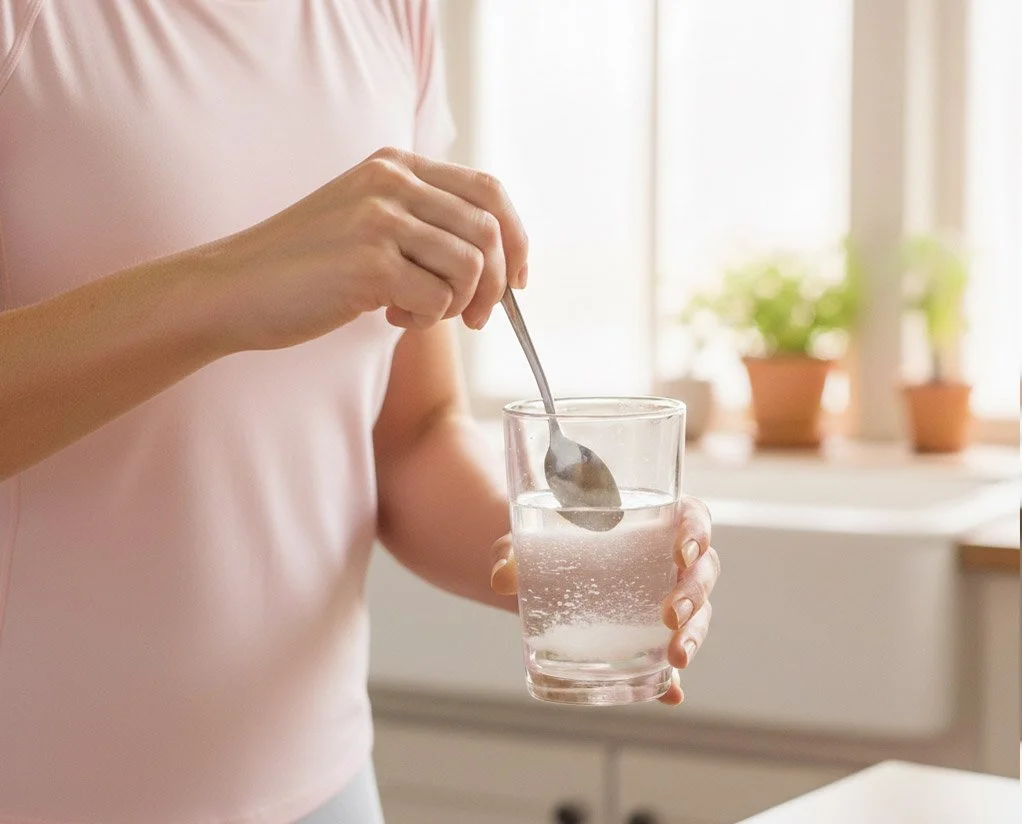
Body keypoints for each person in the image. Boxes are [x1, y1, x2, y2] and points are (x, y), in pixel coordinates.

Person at [0, 1, 720, 822]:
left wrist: (564, 558)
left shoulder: (390, 11)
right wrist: (231, 285)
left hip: (326, 788)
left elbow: (411, 437)